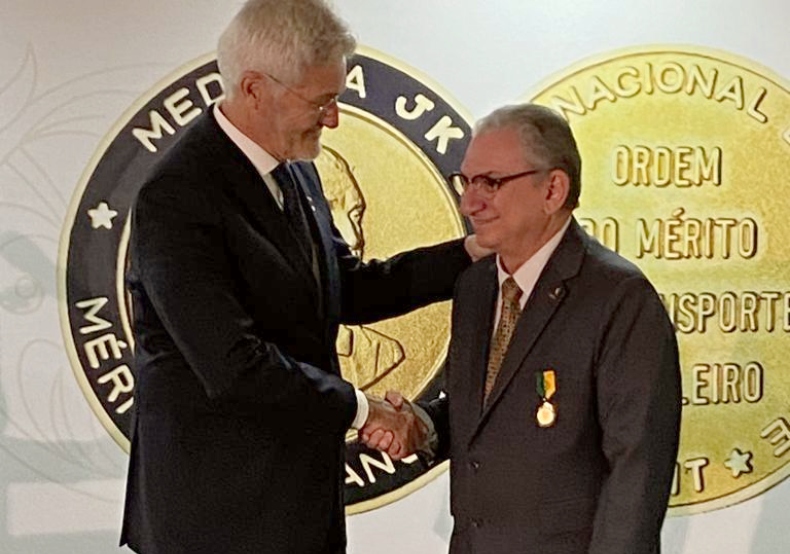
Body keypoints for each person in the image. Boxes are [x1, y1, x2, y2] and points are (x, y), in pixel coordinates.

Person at [119, 1, 484, 552]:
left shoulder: (296, 171)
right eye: (322, 101)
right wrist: (365, 411)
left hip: (296, 508)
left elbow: (348, 287)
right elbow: (234, 366)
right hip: (217, 522)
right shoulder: (178, 196)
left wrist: (472, 252)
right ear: (254, 89)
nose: (333, 118)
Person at [363, 103, 682, 554]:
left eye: (490, 182)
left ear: (553, 189)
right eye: (466, 181)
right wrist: (422, 424)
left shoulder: (621, 299)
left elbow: (637, 471)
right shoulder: (475, 288)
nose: (469, 202)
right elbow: (487, 416)